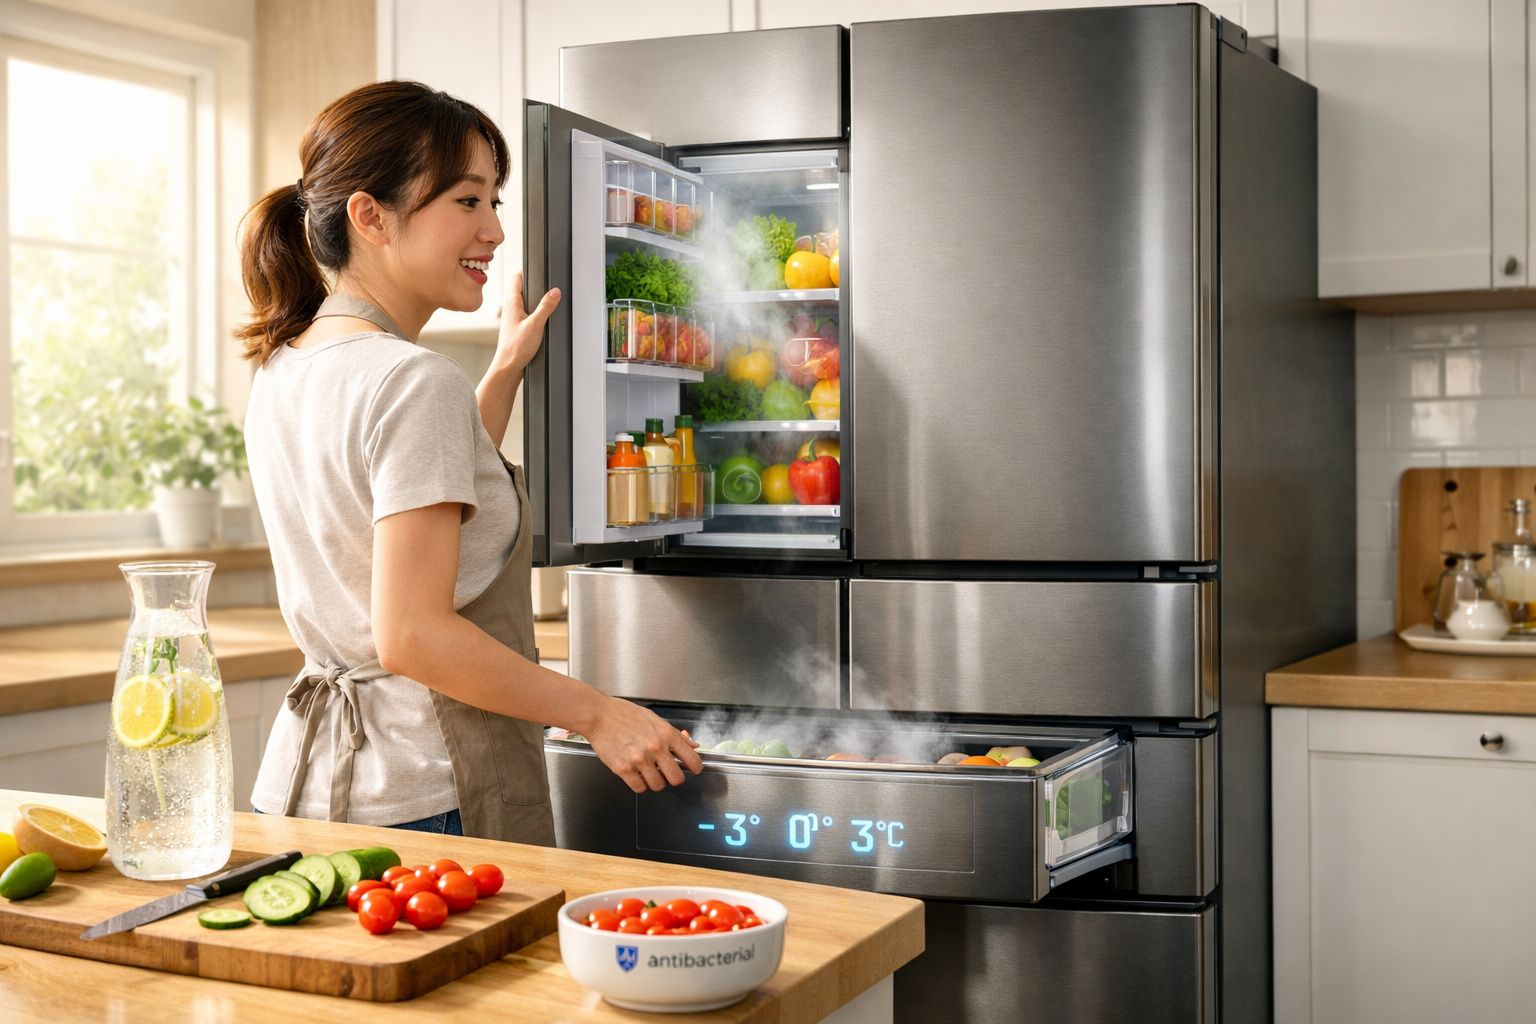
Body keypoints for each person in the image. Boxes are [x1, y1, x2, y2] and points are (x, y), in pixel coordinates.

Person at [233, 80, 701, 841]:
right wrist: (599, 715)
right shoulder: (410, 380)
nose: (493, 231)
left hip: (307, 785)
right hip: (426, 791)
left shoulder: (289, 363)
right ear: (370, 215)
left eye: (496, 203)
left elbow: (423, 490)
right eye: (466, 201)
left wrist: (504, 370)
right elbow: (412, 636)